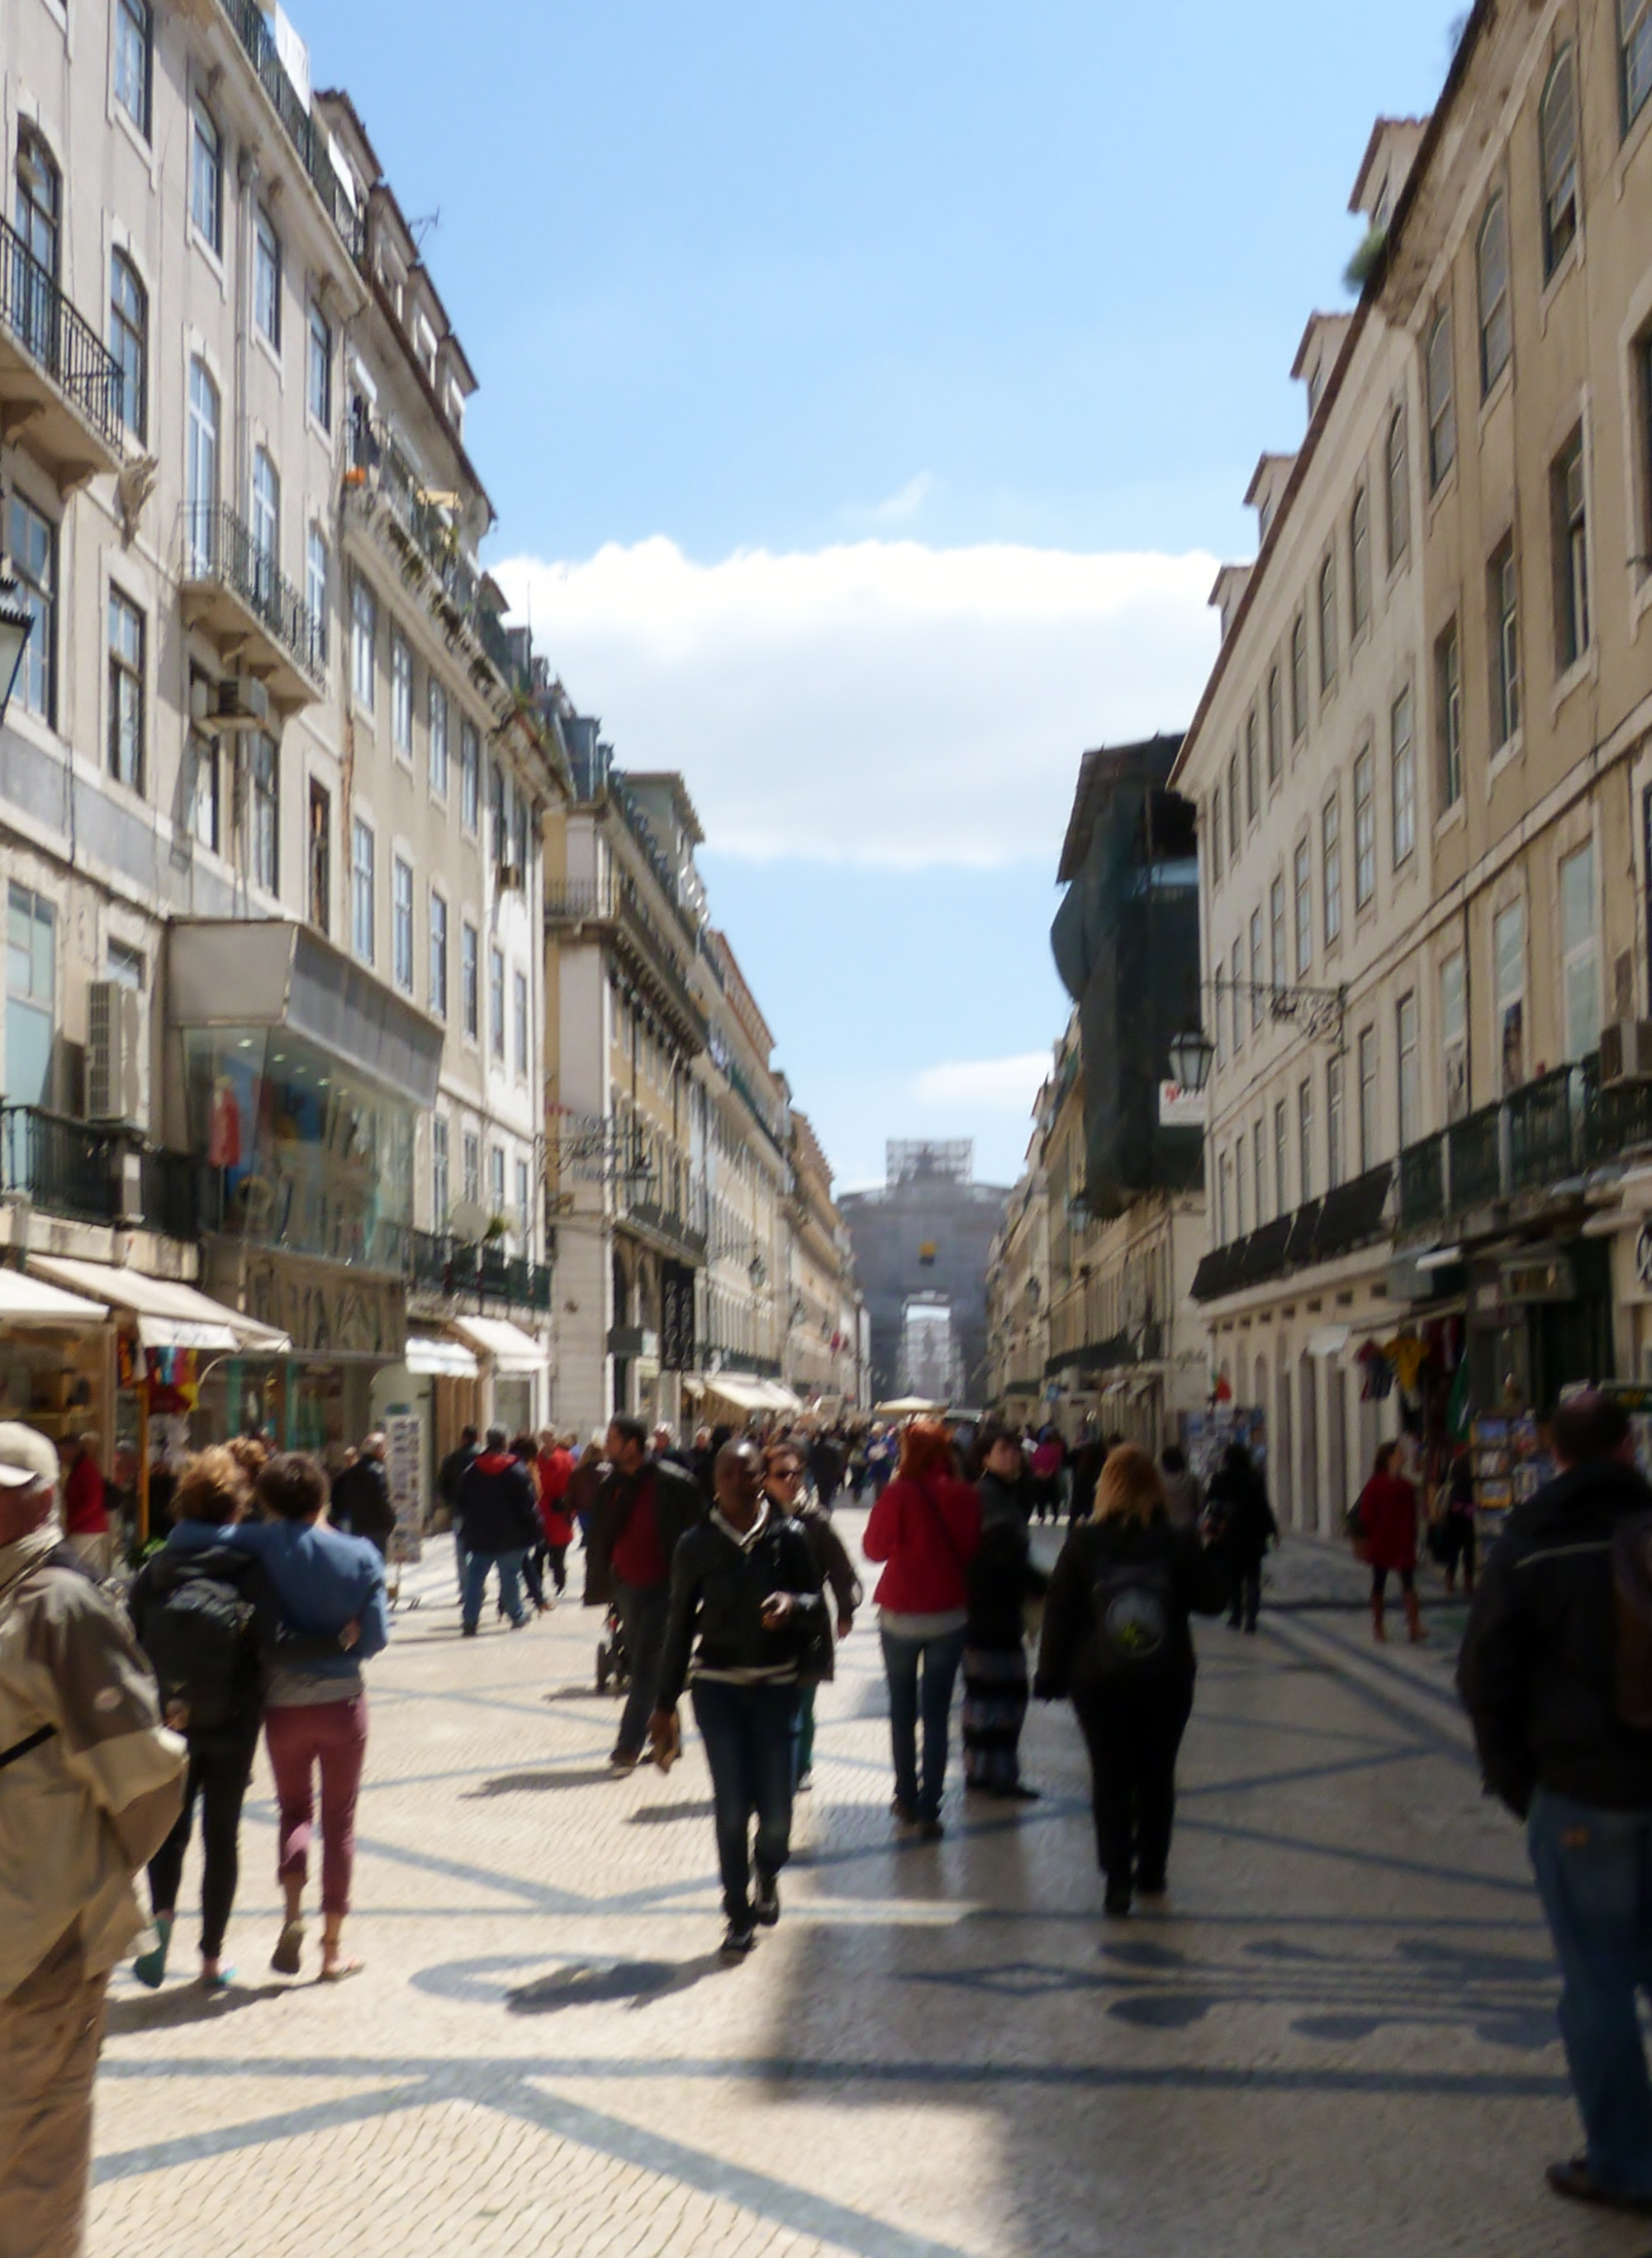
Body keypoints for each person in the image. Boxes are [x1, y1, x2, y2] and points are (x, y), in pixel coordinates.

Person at [1457, 1391, 1652, 2218]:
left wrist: (1516, 1783)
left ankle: (1623, 2165)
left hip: (1580, 1792)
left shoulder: (1530, 1539)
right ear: (1629, 1444)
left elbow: (1482, 1675)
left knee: (1598, 1981)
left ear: (1549, 1451)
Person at [0, 1423, 185, 2253]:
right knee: (35, 2164)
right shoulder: (62, 1605)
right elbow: (145, 1782)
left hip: (34, 1934)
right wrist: (85, 1880)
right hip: (40, 1942)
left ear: (43, 1497)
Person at [127, 1447, 345, 1989]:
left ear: (183, 1504)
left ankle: (159, 1932)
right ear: (236, 1509)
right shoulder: (249, 1567)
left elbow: (128, 1638)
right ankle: (210, 1959)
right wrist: (335, 1641)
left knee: (170, 1830)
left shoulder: (157, 1564)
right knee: (221, 1835)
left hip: (170, 1716)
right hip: (233, 1715)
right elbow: (273, 1641)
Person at [166, 1452, 387, 1981]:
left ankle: (292, 1914)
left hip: (281, 1704)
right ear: (323, 1496)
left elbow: (187, 1539)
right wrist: (348, 1635)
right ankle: (333, 1949)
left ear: (265, 1501)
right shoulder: (360, 1554)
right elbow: (375, 1639)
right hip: (342, 1702)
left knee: (294, 1811)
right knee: (341, 1823)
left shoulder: (260, 1542)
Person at [1036, 1442, 1227, 1915]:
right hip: (1166, 1676)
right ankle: (1152, 1871)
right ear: (1154, 1488)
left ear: (1106, 1488)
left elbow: (1059, 1612)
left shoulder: (1083, 1541)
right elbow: (1212, 1601)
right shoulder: (1177, 1539)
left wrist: (1050, 1674)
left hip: (1098, 1679)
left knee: (1110, 1776)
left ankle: (1117, 1879)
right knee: (1157, 1775)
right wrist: (1214, 1552)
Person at [651, 1440, 825, 1956]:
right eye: (726, 1472)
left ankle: (767, 1870)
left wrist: (793, 1603)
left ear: (760, 1477)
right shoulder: (695, 1544)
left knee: (776, 1812)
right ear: (715, 1481)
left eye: (746, 1472)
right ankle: (737, 1912)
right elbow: (679, 1624)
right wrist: (664, 1703)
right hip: (719, 1688)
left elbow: (817, 1602)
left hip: (776, 1686)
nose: (736, 1481)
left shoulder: (789, 1536)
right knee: (731, 1803)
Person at [863, 1418, 983, 1839]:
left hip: (900, 1613)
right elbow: (970, 1549)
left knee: (902, 1709)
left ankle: (906, 1796)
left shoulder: (899, 1494)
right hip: (949, 1613)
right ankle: (931, 1806)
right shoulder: (967, 1496)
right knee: (936, 1713)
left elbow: (872, 1550)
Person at [588, 1415, 706, 1768]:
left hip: (663, 1588)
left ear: (632, 1445)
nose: (607, 1445)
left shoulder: (671, 1483)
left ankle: (628, 1744)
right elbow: (602, 1536)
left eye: (612, 1439)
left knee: (644, 1671)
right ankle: (670, 1739)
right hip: (626, 1587)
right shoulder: (611, 1486)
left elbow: (698, 1529)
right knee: (653, 1666)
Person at [762, 1442, 860, 1790]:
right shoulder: (756, 1519)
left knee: (804, 1700)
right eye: (781, 1475)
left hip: (808, 1621)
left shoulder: (816, 1520)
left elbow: (839, 1567)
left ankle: (800, 1767)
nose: (791, 1481)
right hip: (767, 1624)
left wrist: (845, 1610)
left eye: (796, 1474)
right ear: (764, 1480)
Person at [961, 1422, 1045, 1799]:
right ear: (984, 1458)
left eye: (1015, 1450)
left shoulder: (998, 1493)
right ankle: (999, 1775)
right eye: (1004, 1450)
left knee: (983, 1693)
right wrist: (1043, 1585)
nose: (1014, 1456)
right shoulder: (991, 1497)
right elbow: (1003, 1557)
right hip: (993, 1609)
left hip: (983, 1608)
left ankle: (980, 1770)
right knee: (1006, 1693)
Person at [456, 1428, 542, 1633]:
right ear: (504, 1443)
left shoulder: (472, 1470)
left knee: (475, 1578)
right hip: (511, 1535)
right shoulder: (516, 1469)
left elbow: (461, 1503)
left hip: (480, 1535)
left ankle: (470, 1619)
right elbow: (528, 1504)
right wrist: (535, 1528)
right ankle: (516, 1615)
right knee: (509, 1576)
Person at [1355, 1440, 1423, 1644]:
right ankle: (1378, 1624)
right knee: (1379, 1583)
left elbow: (1412, 1515)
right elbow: (1367, 1515)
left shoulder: (1406, 1486)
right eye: (1399, 1453)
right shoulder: (1375, 1485)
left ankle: (1414, 1625)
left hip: (1402, 1541)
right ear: (1389, 1457)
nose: (1403, 1456)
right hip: (1383, 1540)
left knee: (1408, 1583)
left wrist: (1413, 1536)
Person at [1205, 1441, 1278, 1633]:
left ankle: (1236, 1615)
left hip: (1229, 1535)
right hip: (1253, 1534)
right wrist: (1273, 1530)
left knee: (1234, 1578)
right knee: (1253, 1577)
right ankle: (1251, 1618)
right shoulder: (1255, 1478)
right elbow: (1263, 1508)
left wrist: (1212, 1529)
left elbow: (1211, 1505)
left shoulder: (1220, 1479)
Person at [330, 1432, 396, 1557]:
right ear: (378, 1450)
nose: (386, 1452)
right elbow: (382, 1500)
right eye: (384, 1447)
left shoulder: (349, 1473)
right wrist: (390, 1522)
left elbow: (337, 1501)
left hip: (355, 1528)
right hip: (375, 1529)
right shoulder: (378, 1471)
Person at [60, 1432, 112, 1578]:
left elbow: (93, 1501)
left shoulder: (86, 1469)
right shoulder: (80, 1469)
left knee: (69, 1567)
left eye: (61, 1452)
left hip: (86, 1528)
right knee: (90, 1569)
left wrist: (72, 1522)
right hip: (89, 1527)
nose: (60, 1458)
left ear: (72, 1450)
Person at [534, 1429, 577, 1598]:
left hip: (559, 1510)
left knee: (558, 1555)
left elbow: (572, 1483)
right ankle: (536, 1586)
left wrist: (570, 1508)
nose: (546, 1441)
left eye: (549, 1437)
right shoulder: (537, 1459)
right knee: (539, 1553)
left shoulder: (565, 1458)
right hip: (542, 1511)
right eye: (543, 1438)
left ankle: (560, 1584)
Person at [439, 1425, 480, 1599]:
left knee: (462, 1552)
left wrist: (450, 1501)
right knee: (480, 1552)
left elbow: (441, 1484)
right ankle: (478, 1587)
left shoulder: (452, 1459)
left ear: (463, 1439)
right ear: (477, 1439)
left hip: (459, 1511)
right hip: (480, 1511)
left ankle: (466, 1591)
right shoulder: (483, 1457)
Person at [1436, 1443, 1479, 1598]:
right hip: (1468, 1510)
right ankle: (1468, 1582)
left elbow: (1442, 1479)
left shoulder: (1453, 1464)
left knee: (1453, 1547)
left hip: (1453, 1509)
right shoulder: (1474, 1464)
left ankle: (1450, 1581)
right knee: (1469, 1547)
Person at [1160, 1444, 1203, 1533]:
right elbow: (1201, 1502)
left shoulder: (1160, 1482)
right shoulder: (1192, 1479)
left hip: (1167, 1528)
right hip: (1189, 1525)